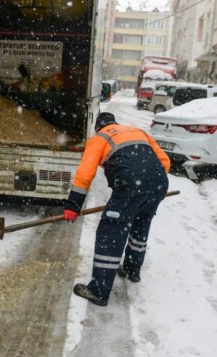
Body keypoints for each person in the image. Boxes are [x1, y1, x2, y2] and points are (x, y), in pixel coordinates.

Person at [65, 112, 170, 306]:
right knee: (140, 225)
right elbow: (165, 162)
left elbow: (85, 174)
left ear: (98, 127)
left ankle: (99, 290)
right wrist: (148, 184)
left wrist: (73, 205)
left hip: (130, 186)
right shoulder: (137, 131)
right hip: (159, 184)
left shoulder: (99, 138)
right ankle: (132, 270)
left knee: (111, 231)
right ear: (115, 122)